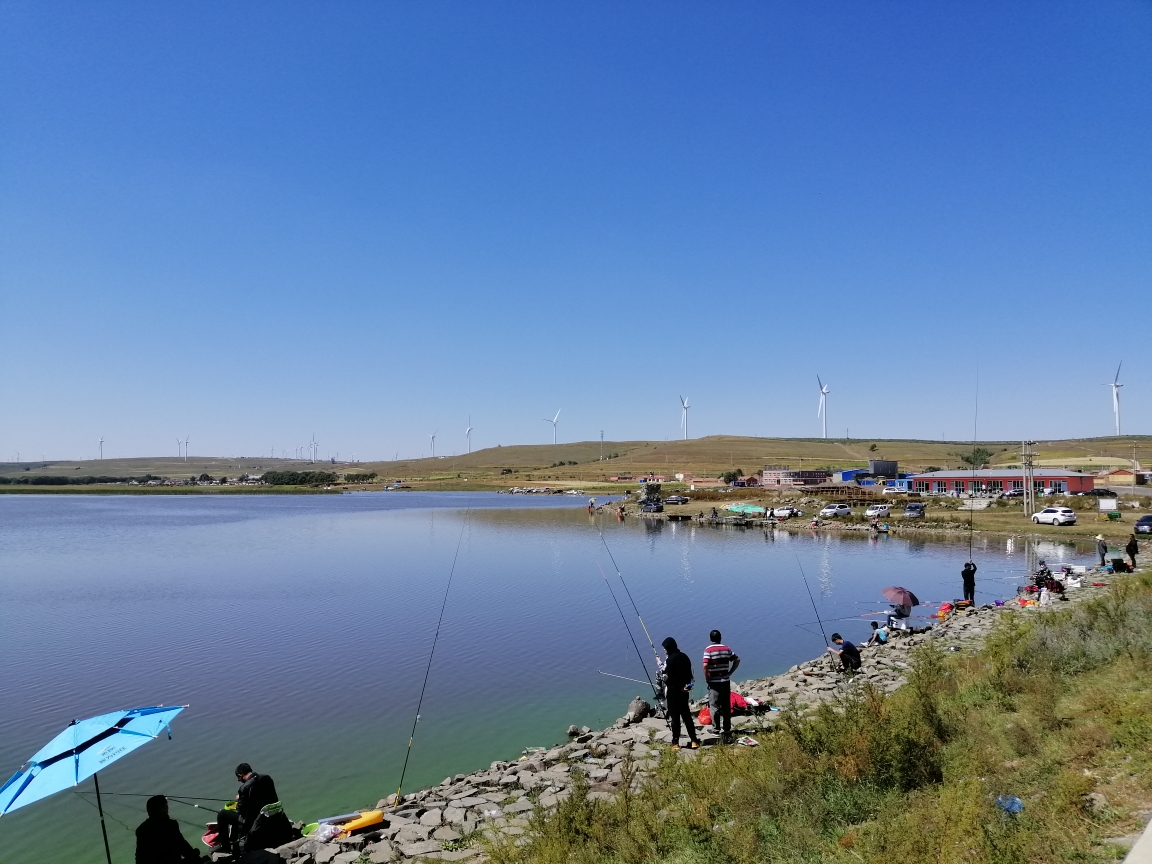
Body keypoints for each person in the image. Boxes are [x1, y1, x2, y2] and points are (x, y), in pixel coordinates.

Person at [212, 764, 282, 853]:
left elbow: (240, 810)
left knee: (222, 815)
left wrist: (239, 798)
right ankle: (234, 842)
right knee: (234, 819)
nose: (239, 780)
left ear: (241, 775)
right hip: (269, 814)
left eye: (238, 778)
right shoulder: (266, 778)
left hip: (253, 820)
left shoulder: (244, 788)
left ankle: (225, 847)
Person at [136, 796, 204, 864]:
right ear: (160, 809)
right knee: (195, 853)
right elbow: (183, 847)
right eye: (165, 805)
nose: (167, 808)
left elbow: (139, 856)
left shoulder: (141, 830)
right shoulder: (169, 825)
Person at [659, 637, 699, 750]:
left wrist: (663, 676)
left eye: (665, 648)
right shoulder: (685, 657)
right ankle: (694, 740)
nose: (664, 650)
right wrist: (687, 686)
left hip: (673, 692)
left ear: (669, 648)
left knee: (675, 719)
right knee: (687, 717)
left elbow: (668, 678)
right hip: (684, 691)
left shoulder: (670, 660)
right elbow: (689, 676)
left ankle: (675, 742)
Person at [702, 630, 740, 739]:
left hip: (714, 682)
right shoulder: (727, 649)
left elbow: (705, 665)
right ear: (720, 638)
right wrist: (730, 672)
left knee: (714, 706)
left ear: (710, 639)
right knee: (726, 705)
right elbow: (737, 659)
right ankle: (727, 729)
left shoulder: (708, 650)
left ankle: (716, 729)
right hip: (725, 681)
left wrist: (707, 678)